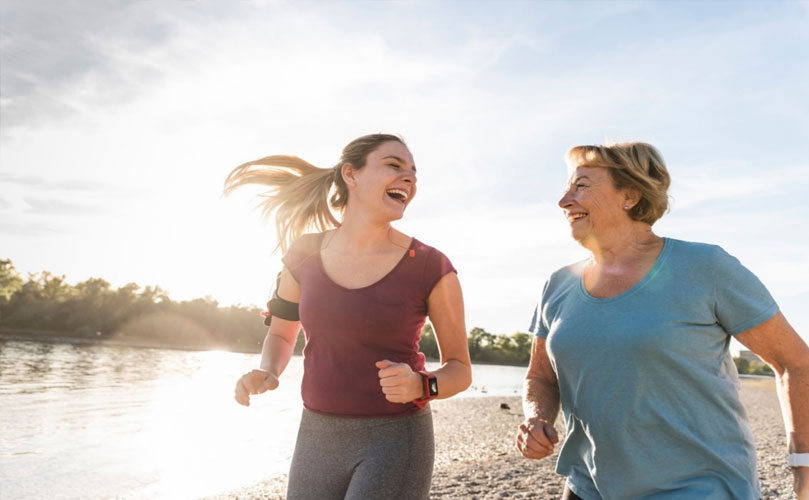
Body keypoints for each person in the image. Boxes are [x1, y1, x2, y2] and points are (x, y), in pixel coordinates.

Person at [516, 142, 809, 500]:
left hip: (698, 488)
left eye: (580, 186)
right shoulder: (558, 284)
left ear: (631, 194)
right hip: (587, 486)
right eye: (566, 187)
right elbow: (541, 376)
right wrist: (537, 418)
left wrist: (803, 465)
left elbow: (795, 362)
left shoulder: (706, 267)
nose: (564, 200)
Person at [226, 133, 472, 500]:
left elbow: (460, 369)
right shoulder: (303, 254)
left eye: (413, 173)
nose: (410, 179)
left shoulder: (431, 267)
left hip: (395, 438)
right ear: (351, 175)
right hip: (316, 435)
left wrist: (423, 385)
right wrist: (269, 370)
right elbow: (281, 334)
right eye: (394, 165)